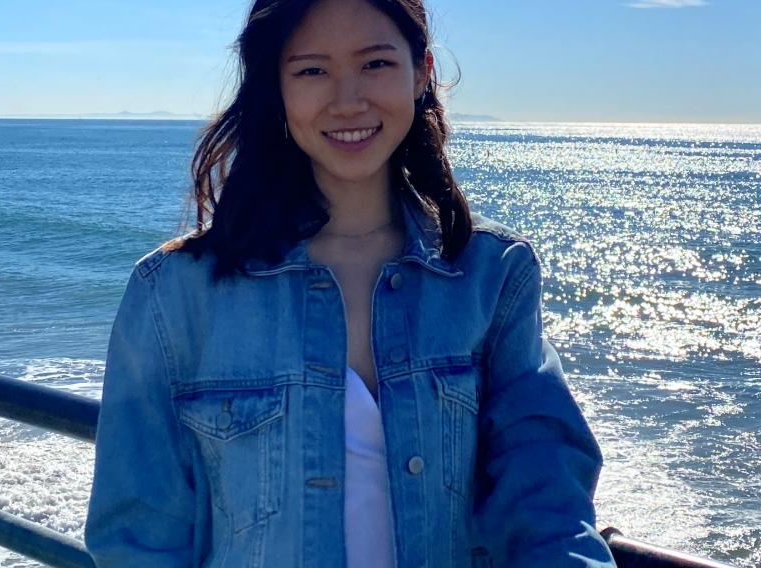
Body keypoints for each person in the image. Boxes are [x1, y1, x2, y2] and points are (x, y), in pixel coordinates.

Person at [84, 0, 618, 566]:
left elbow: (547, 504)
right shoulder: (175, 294)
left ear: (422, 74)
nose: (347, 100)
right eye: (312, 70)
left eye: (376, 64)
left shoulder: (491, 274)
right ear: (277, 88)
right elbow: (138, 538)